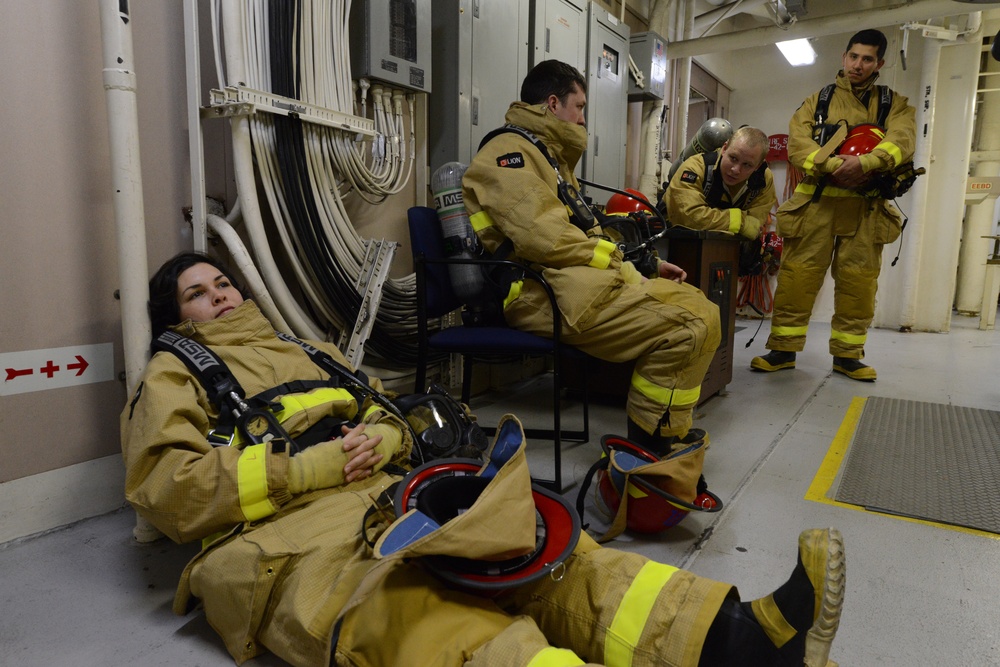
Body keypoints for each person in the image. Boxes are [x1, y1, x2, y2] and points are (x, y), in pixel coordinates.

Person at [121, 251, 846, 667]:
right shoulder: (171, 374)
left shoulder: (307, 349)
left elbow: (393, 411)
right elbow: (165, 489)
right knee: (423, 618)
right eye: (197, 293)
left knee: (542, 553)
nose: (218, 295)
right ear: (173, 316)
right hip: (284, 544)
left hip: (389, 495)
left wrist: (390, 438)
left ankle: (741, 643)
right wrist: (303, 470)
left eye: (223, 283)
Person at [462, 59, 721, 500]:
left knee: (699, 304)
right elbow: (544, 237)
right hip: (539, 295)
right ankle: (647, 451)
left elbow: (585, 231)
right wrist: (615, 262)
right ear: (553, 103)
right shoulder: (508, 155)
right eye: (579, 107)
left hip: (574, 284)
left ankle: (658, 434)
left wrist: (645, 266)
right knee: (690, 325)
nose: (583, 118)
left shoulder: (548, 157)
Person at [751, 29, 915, 381]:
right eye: (853, 56)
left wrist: (867, 163)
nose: (858, 65)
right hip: (817, 205)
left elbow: (903, 140)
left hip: (866, 208)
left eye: (867, 59)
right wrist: (834, 166)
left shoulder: (893, 104)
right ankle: (782, 350)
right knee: (798, 278)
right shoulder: (817, 101)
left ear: (879, 63)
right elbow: (797, 145)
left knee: (859, 283)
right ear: (844, 57)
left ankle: (847, 356)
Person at [664, 126, 777, 240]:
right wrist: (741, 222)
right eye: (733, 158)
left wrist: (713, 218)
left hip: (729, 250)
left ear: (758, 166)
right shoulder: (695, 168)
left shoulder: (764, 180)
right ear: (724, 148)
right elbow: (689, 217)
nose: (735, 170)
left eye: (747, 165)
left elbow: (754, 225)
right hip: (675, 244)